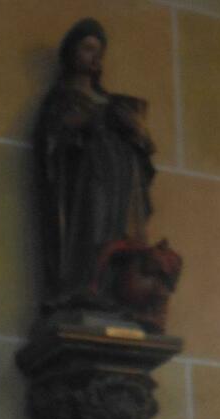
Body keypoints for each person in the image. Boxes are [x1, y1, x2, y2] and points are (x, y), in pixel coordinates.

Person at [33, 18, 156, 306]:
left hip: (121, 183)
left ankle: (116, 289)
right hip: (86, 182)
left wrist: (136, 131)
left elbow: (144, 146)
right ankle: (85, 285)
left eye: (99, 51)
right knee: (92, 231)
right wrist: (84, 123)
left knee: (119, 233)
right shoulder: (62, 99)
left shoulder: (112, 102)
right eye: (87, 49)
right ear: (71, 53)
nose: (95, 57)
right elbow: (51, 144)